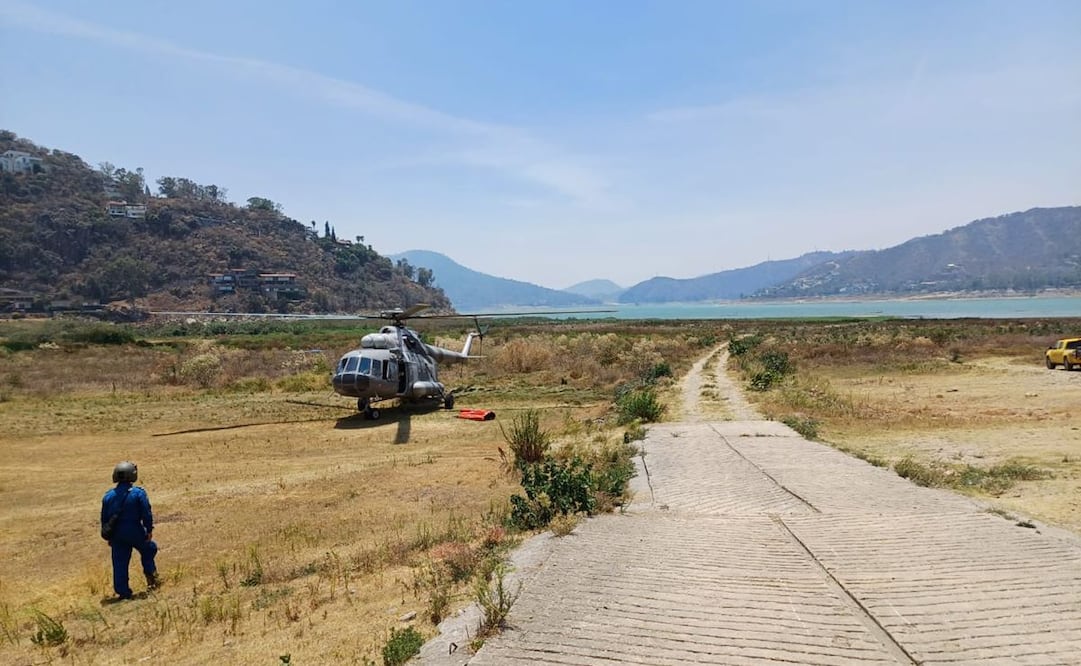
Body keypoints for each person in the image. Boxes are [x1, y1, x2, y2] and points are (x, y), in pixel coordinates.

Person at [101, 461, 159, 599]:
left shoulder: (108, 496)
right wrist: (149, 529)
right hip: (135, 531)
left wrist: (109, 536)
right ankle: (151, 578)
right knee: (149, 549)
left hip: (116, 535)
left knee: (119, 562)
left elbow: (104, 518)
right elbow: (146, 513)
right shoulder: (138, 493)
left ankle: (123, 592)